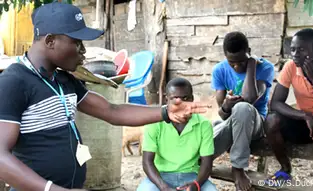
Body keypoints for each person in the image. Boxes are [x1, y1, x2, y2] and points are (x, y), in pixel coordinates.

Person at [0, 3, 210, 191]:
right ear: (50, 41)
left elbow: (112, 111)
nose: (83, 51)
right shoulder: (14, 82)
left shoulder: (63, 79)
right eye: (77, 42)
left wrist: (166, 112)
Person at [264, 28, 313, 188]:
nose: (295, 54)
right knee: (271, 120)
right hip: (306, 122)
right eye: (292, 49)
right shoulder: (290, 67)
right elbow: (275, 103)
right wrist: (305, 115)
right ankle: (285, 169)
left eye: (301, 49)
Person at [211, 31, 275, 191]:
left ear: (249, 51)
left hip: (256, 123)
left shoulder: (264, 67)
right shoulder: (219, 70)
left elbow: (250, 98)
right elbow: (223, 112)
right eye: (232, 63)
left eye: (242, 61)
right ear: (225, 56)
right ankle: (201, 156)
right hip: (232, 123)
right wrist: (226, 104)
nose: (237, 66)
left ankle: (237, 168)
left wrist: (252, 65)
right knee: (217, 123)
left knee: (242, 107)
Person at [137, 78, 217, 191]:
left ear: (192, 99)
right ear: (166, 100)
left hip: (192, 177)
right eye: (175, 98)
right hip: (160, 177)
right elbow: (147, 162)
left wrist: (196, 185)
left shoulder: (203, 124)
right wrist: (163, 188)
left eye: (185, 98)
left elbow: (207, 163)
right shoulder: (154, 123)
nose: (181, 104)